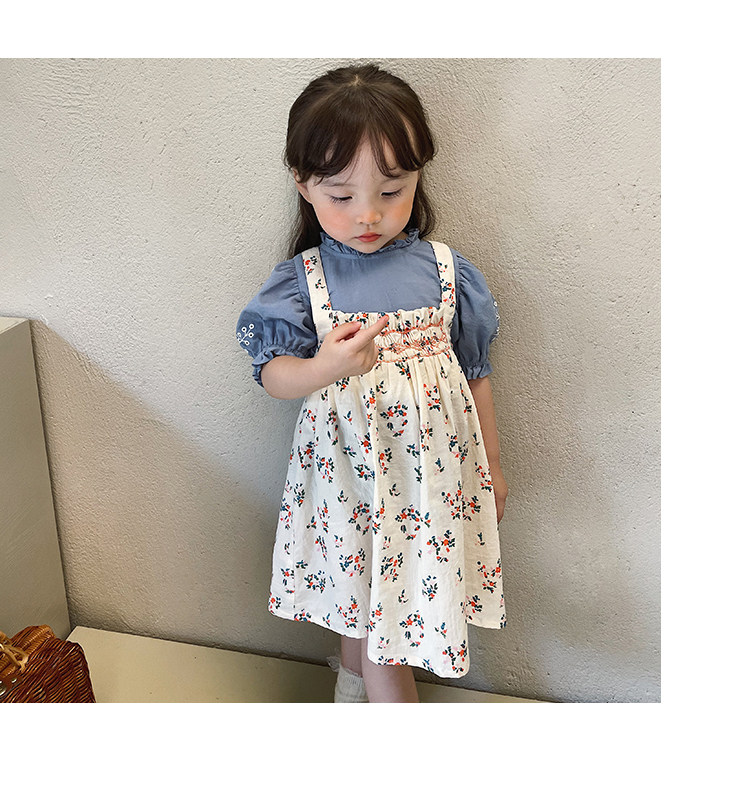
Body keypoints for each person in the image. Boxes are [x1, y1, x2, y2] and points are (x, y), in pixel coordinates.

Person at [236, 63, 508, 703]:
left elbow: (475, 373)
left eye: (391, 190)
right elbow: (273, 374)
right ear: (303, 184)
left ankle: (354, 697)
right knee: (365, 605)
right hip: (347, 478)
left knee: (386, 611)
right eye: (341, 195)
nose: (368, 214)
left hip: (428, 482)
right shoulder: (303, 280)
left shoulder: (447, 272)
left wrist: (492, 465)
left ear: (418, 177)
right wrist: (323, 368)